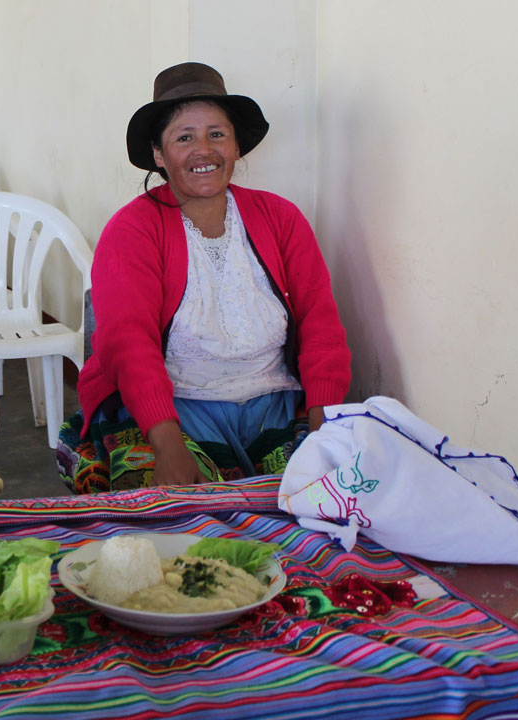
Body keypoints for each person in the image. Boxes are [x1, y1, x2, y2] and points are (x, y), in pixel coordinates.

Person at [59, 62, 351, 494]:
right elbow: (128, 342)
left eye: (217, 134)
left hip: (276, 405)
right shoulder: (133, 229)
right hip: (170, 408)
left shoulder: (280, 218)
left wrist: (323, 424)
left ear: (236, 147)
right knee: (168, 518)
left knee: (333, 502)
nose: (204, 150)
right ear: (159, 155)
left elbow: (320, 323)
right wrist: (167, 442)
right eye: (184, 137)